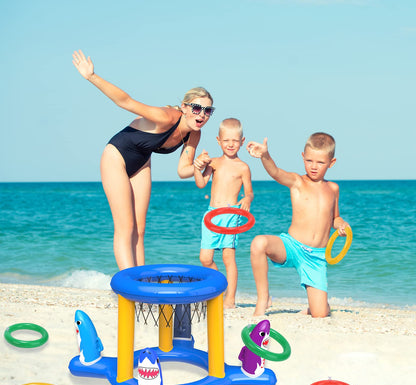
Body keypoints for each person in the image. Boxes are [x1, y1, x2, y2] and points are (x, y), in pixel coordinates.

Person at [72, 50, 214, 270]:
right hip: (116, 156)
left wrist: (202, 167)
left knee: (139, 228)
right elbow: (126, 101)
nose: (202, 114)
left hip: (141, 162)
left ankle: (140, 278)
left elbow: (183, 170)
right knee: (125, 226)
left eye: (207, 111)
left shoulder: (194, 134)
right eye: (197, 108)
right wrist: (92, 76)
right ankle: (129, 283)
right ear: (185, 107)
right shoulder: (165, 116)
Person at [247, 133, 349, 317]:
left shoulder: (333, 189)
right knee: (258, 243)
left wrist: (342, 225)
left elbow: (335, 218)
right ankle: (263, 298)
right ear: (303, 157)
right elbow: (275, 172)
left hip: (316, 257)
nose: (313, 166)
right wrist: (265, 155)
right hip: (292, 246)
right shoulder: (297, 181)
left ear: (331, 163)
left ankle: (316, 306)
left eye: (320, 162)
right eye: (309, 160)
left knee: (320, 314)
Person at [194, 118, 254, 308]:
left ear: (242, 142)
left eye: (235, 141)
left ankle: (230, 299)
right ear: (219, 140)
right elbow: (201, 183)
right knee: (205, 258)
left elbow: (250, 191)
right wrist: (197, 167)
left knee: (229, 258)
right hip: (212, 214)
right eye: (226, 140)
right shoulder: (213, 163)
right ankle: (218, 288)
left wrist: (247, 199)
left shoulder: (243, 167)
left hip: (231, 215)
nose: (230, 144)